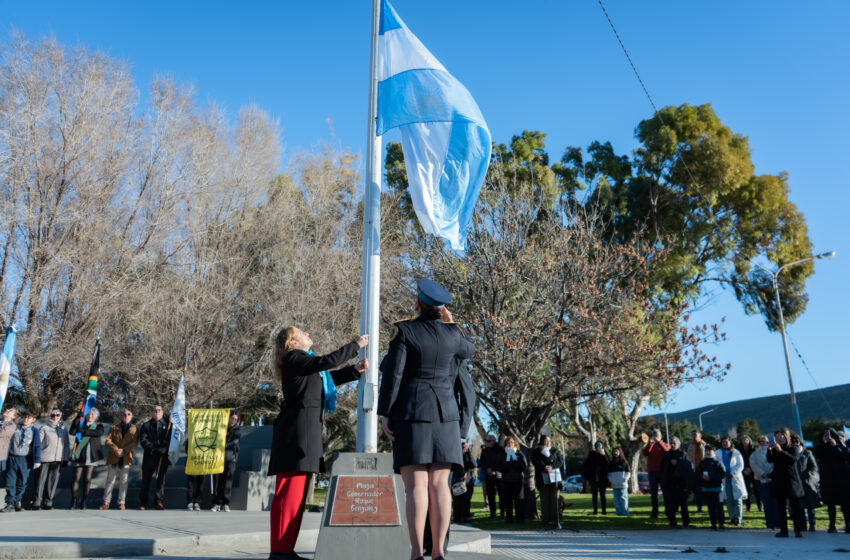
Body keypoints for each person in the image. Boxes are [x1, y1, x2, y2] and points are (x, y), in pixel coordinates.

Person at [378, 278, 475, 560]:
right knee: (439, 485)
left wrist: (385, 413)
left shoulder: (404, 331)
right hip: (446, 416)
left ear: (417, 303)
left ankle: (416, 552)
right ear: (441, 309)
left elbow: (393, 376)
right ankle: (438, 553)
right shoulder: (453, 334)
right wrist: (452, 323)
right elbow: (470, 350)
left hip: (413, 413)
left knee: (415, 486)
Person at [269, 325, 368, 560]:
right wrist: (355, 346)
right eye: (303, 333)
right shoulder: (294, 357)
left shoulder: (304, 364)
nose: (309, 334)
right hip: (295, 436)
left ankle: (285, 550)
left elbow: (325, 379)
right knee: (289, 496)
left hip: (304, 434)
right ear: (292, 342)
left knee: (297, 497)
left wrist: (354, 372)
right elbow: (324, 363)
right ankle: (280, 552)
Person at [767, 427, 805, 538]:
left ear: (787, 436)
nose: (780, 438)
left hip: (791, 480)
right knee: (781, 507)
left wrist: (781, 451)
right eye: (777, 437)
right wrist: (769, 450)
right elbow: (770, 460)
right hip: (779, 481)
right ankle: (784, 530)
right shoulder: (775, 449)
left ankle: (798, 530)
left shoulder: (793, 448)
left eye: (782, 436)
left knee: (795, 507)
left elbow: (793, 459)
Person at [2, 410, 41, 512]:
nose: (25, 419)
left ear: (33, 420)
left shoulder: (34, 431)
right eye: (24, 417)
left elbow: (37, 446)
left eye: (28, 418)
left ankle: (16, 502)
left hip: (25, 459)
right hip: (12, 457)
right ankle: (9, 502)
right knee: (10, 480)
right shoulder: (16, 427)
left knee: (22, 481)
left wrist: (37, 460)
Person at [100, 408, 138, 510]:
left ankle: (121, 502)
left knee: (124, 481)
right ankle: (106, 502)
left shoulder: (134, 429)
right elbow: (108, 441)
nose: (126, 416)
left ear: (131, 416)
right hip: (114, 457)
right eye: (124, 414)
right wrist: (116, 450)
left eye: (128, 414)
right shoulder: (114, 427)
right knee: (110, 481)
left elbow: (134, 443)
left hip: (126, 459)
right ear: (120, 416)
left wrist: (124, 451)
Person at [32, 408, 70, 510]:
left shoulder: (64, 429)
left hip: (58, 459)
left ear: (60, 416)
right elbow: (38, 443)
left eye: (57, 415)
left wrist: (66, 458)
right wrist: (37, 457)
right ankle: (36, 502)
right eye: (53, 415)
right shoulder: (44, 428)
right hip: (45, 457)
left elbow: (66, 444)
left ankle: (48, 502)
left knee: (52, 482)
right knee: (40, 480)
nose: (55, 417)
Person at [814, 428, 850, 534]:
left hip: (841, 479)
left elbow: (846, 455)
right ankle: (832, 525)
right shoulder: (822, 447)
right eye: (825, 435)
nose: (827, 436)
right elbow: (817, 453)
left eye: (829, 435)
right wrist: (824, 443)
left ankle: (848, 524)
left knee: (845, 504)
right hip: (828, 480)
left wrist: (836, 446)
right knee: (830, 504)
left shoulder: (840, 446)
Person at [68, 407, 103, 510]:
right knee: (76, 478)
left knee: (87, 479)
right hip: (79, 454)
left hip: (91, 455)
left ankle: (84, 502)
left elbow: (97, 433)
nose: (90, 416)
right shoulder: (80, 424)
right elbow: (72, 431)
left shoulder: (98, 426)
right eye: (89, 414)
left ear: (96, 416)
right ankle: (73, 501)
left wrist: (83, 431)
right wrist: (77, 418)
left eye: (93, 414)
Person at [139, 404, 170, 510]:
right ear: (151, 413)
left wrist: (164, 449)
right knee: (146, 481)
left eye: (159, 410)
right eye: (154, 410)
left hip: (162, 457)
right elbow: (143, 440)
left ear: (162, 412)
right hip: (149, 457)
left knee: (161, 481)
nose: (157, 412)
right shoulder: (146, 425)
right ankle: (143, 503)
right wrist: (154, 449)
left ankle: (159, 502)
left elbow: (171, 440)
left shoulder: (168, 425)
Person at [531, 435, 563, 530]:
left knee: (555, 500)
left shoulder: (555, 451)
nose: (548, 442)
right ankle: (545, 521)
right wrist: (544, 467)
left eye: (549, 441)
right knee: (544, 501)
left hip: (554, 479)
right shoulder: (536, 452)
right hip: (542, 479)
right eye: (545, 441)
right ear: (541, 442)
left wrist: (551, 466)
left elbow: (559, 462)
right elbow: (535, 461)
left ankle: (556, 521)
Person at [212, 410, 241, 512]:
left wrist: (222, 446)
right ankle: (217, 503)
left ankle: (225, 503)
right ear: (228, 418)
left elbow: (235, 442)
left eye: (235, 419)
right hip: (219, 458)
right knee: (218, 481)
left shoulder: (237, 430)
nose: (233, 420)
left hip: (231, 459)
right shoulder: (221, 428)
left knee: (228, 481)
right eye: (232, 418)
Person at [661, 436, 692, 528]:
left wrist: (678, 462)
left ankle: (685, 523)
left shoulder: (683, 454)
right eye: (671, 443)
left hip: (681, 484)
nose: (672, 444)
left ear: (679, 444)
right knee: (670, 504)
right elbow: (662, 468)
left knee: (683, 504)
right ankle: (672, 522)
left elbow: (687, 467)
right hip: (669, 483)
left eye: (674, 443)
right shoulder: (666, 454)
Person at [750, 434, 780, 530]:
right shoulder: (754, 454)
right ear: (758, 443)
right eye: (761, 441)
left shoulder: (774, 451)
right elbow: (753, 465)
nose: (763, 443)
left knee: (775, 501)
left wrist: (772, 475)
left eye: (765, 441)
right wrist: (763, 475)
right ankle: (770, 523)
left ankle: (777, 522)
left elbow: (776, 463)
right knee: (767, 502)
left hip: (774, 479)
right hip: (761, 479)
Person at [791, 434, 819, 531]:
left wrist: (807, 474)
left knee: (810, 505)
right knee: (800, 506)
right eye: (793, 442)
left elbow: (814, 467)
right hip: (797, 483)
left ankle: (812, 524)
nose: (795, 444)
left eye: (797, 442)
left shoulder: (807, 453)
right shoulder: (791, 453)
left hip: (807, 482)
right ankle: (803, 524)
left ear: (800, 442)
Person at [718, 436, 747, 526]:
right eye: (723, 442)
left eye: (726, 442)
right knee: (729, 500)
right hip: (725, 478)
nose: (725, 443)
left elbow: (740, 465)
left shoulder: (736, 452)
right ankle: (732, 517)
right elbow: (717, 464)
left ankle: (738, 518)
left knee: (738, 499)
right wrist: (723, 473)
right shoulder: (718, 453)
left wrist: (733, 473)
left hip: (735, 478)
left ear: (730, 443)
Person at [641, 429, 670, 518]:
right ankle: (655, 512)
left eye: (656, 435)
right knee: (654, 494)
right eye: (654, 435)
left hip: (663, 472)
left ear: (660, 436)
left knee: (666, 493)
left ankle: (668, 511)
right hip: (652, 472)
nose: (655, 437)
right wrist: (650, 444)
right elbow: (645, 453)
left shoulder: (665, 444)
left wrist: (659, 442)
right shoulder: (651, 445)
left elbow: (667, 451)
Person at [697, 444, 726, 531]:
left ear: (714, 451)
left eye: (710, 451)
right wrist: (702, 476)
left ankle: (721, 523)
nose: (708, 452)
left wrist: (711, 477)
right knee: (710, 507)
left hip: (718, 488)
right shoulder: (702, 462)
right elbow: (697, 473)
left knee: (719, 507)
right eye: (706, 451)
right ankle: (713, 523)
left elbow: (722, 474)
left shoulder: (718, 462)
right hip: (707, 488)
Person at [499, 436, 527, 523]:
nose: (510, 444)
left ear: (515, 443)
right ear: (505, 444)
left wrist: (515, 461)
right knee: (508, 501)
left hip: (518, 480)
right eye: (508, 442)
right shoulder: (503, 454)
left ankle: (520, 519)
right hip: (507, 480)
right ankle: (509, 519)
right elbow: (500, 466)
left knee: (519, 500)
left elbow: (524, 466)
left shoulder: (519, 454)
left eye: (511, 442)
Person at [479, 433, 503, 519]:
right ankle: (493, 512)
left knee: (501, 494)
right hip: (489, 476)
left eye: (489, 441)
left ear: (494, 441)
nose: (487, 442)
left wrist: (495, 471)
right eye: (486, 440)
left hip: (499, 476)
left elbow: (502, 462)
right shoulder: (485, 451)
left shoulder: (500, 449)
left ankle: (502, 511)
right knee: (490, 495)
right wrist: (487, 469)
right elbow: (482, 462)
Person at [581, 440, 609, 515]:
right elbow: (587, 464)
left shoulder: (605, 454)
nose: (598, 447)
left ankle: (604, 511)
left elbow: (607, 464)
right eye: (597, 445)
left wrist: (604, 455)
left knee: (603, 495)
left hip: (602, 478)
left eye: (600, 445)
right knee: (594, 495)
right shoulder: (592, 454)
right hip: (593, 478)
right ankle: (595, 511)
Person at [452, 442, 475, 524]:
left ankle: (466, 519)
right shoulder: (455, 455)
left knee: (466, 502)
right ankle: (456, 519)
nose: (463, 449)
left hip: (467, 482)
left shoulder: (468, 456)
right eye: (462, 447)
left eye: (465, 447)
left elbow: (473, 465)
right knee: (456, 502)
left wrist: (468, 452)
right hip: (456, 481)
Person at [739, 435, 761, 512]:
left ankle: (759, 506)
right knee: (746, 490)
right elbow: (739, 461)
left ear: (749, 441)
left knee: (756, 490)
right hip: (744, 472)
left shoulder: (754, 450)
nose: (745, 441)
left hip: (754, 472)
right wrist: (744, 469)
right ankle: (748, 507)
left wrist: (751, 469)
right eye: (743, 440)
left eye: (747, 440)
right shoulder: (739, 451)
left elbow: (756, 460)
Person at [607, 446, 630, 516]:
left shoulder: (624, 462)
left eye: (617, 451)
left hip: (623, 484)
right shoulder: (611, 463)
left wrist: (624, 479)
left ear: (620, 452)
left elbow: (628, 473)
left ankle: (625, 512)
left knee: (623, 498)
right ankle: (619, 513)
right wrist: (612, 480)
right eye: (614, 451)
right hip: (614, 485)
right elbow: (609, 474)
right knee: (616, 500)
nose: (615, 453)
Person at [687, 430, 706, 512]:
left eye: (696, 435)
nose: (694, 436)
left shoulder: (705, 445)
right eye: (693, 435)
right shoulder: (691, 446)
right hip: (695, 470)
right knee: (697, 490)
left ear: (700, 436)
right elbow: (688, 458)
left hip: (704, 470)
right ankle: (699, 507)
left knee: (706, 489)